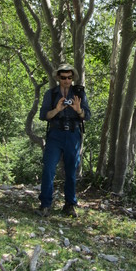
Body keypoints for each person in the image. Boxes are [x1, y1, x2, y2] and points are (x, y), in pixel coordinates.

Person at [37, 63, 91, 218]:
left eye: (69, 77)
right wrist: (57, 110)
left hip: (73, 135)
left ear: (72, 77)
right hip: (55, 134)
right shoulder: (51, 94)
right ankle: (45, 205)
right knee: (48, 169)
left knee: (71, 171)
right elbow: (43, 115)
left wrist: (78, 110)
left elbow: (87, 115)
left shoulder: (79, 93)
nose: (67, 80)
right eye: (63, 77)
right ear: (58, 78)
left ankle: (69, 205)